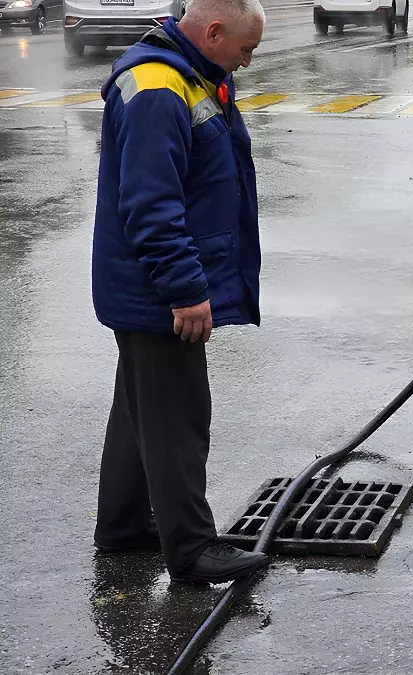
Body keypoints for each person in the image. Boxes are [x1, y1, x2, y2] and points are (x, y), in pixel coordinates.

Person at [91, 0, 268, 584]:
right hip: (158, 292)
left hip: (149, 289)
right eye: (244, 50)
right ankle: (192, 551)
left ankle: (123, 529)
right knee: (179, 420)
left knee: (140, 411)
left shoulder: (190, 75)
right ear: (212, 32)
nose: (245, 62)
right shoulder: (159, 89)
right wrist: (187, 290)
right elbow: (150, 205)